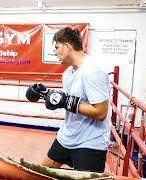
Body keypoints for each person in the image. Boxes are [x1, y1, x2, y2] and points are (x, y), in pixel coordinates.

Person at [26, 27, 111, 172]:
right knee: (41, 174)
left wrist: (65, 101)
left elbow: (101, 113)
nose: (55, 52)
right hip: (67, 137)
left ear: (67, 46)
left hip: (90, 143)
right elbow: (69, 101)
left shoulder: (92, 71)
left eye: (57, 47)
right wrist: (48, 95)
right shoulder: (68, 73)